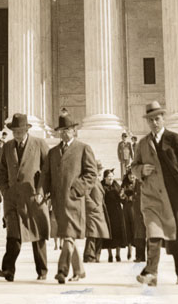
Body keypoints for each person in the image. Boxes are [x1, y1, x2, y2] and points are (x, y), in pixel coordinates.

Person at [130, 101, 178, 286]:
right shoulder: (143, 143)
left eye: (157, 119)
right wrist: (142, 170)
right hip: (151, 196)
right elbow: (133, 167)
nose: (154, 123)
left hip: (173, 196)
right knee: (153, 233)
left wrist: (175, 174)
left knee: (176, 238)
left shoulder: (174, 139)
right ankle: (151, 273)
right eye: (150, 120)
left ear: (163, 118)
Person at [0, 113, 50, 282]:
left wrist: (42, 191)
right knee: (13, 236)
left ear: (27, 129)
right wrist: (5, 190)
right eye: (15, 131)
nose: (17, 134)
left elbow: (47, 171)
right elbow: (1, 170)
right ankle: (8, 270)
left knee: (37, 236)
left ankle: (42, 270)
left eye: (20, 131)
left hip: (33, 198)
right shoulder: (7, 147)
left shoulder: (39, 144)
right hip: (13, 198)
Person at [44, 113, 98, 284]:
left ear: (74, 130)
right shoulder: (52, 152)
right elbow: (47, 176)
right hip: (59, 203)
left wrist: (77, 189)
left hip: (74, 201)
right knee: (70, 237)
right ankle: (80, 270)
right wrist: (43, 192)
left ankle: (62, 270)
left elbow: (91, 174)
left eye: (67, 130)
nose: (64, 133)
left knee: (68, 237)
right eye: (61, 130)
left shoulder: (83, 148)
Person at [82, 163, 111, 263]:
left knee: (99, 235)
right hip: (93, 212)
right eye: (99, 169)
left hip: (99, 212)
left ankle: (96, 256)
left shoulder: (97, 180)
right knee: (92, 235)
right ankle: (89, 256)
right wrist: (92, 206)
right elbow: (85, 194)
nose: (100, 171)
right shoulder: (91, 180)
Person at [101, 169, 127, 262]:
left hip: (117, 212)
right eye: (109, 177)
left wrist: (122, 196)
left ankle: (118, 254)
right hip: (107, 212)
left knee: (118, 233)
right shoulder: (102, 186)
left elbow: (123, 199)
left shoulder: (116, 185)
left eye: (112, 176)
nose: (111, 178)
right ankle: (110, 255)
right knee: (109, 233)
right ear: (105, 178)